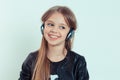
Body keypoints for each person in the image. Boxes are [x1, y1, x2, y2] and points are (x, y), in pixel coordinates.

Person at [19, 5, 89, 80]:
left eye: (62, 27)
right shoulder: (32, 59)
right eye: (50, 24)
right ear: (43, 28)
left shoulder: (78, 62)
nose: (54, 30)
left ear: (70, 33)